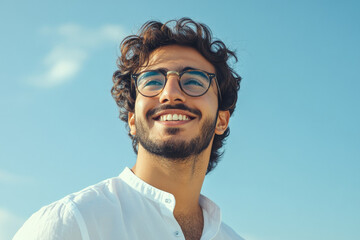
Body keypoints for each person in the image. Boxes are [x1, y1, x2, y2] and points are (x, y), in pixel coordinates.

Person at [13, 18, 243, 240]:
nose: (170, 93)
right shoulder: (72, 224)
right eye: (152, 81)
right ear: (132, 120)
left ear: (222, 120)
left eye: (194, 81)